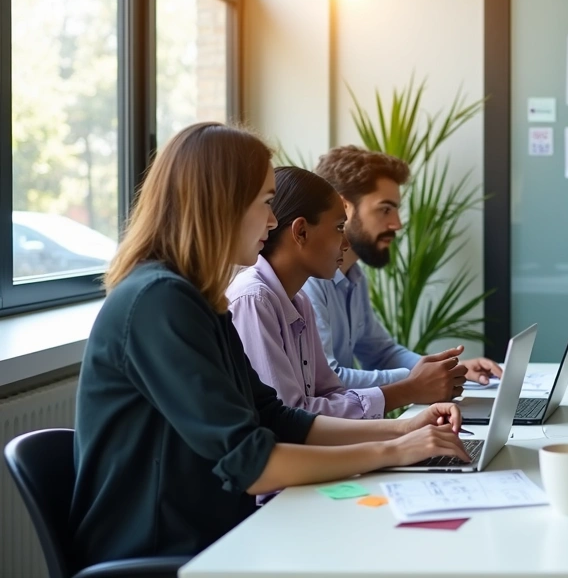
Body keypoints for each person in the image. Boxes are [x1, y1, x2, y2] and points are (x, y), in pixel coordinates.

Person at [71, 124, 471, 567]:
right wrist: (394, 451)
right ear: (221, 202)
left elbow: (276, 418)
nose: (271, 220)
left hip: (215, 535)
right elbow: (253, 463)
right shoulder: (159, 302)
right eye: (265, 201)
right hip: (164, 553)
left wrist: (402, 429)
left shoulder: (200, 299)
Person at [227, 167, 466, 417]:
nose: (346, 243)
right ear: (301, 232)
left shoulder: (299, 300)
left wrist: (406, 428)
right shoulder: (254, 299)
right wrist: (410, 388)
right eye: (340, 227)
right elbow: (290, 417)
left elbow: (330, 392)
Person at [303, 145, 501, 402]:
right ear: (344, 208)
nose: (397, 224)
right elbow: (327, 379)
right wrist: (419, 380)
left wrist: (449, 370)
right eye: (385, 209)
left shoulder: (354, 276)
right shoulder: (309, 281)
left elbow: (381, 353)